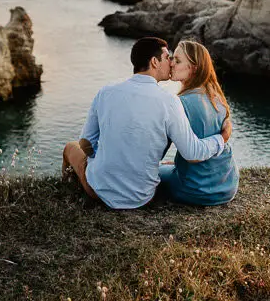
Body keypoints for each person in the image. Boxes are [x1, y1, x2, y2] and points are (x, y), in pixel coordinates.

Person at [62, 37, 231, 209]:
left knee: (70, 147)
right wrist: (222, 137)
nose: (171, 63)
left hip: (99, 190)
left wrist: (105, 160)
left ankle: (67, 193)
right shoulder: (170, 102)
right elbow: (192, 152)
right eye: (168, 58)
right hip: (142, 196)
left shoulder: (106, 92)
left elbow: (86, 142)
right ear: (154, 62)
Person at [158, 40, 239, 206]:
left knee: (157, 171)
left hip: (195, 190)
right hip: (227, 185)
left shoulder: (179, 103)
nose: (171, 63)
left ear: (194, 68)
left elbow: (157, 151)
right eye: (172, 58)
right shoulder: (217, 97)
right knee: (169, 166)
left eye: (178, 61)